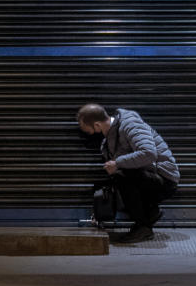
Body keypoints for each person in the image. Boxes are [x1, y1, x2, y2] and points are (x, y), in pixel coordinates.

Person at [77, 102, 179, 243]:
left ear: (97, 125)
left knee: (122, 176)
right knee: (116, 180)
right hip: (147, 177)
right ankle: (150, 213)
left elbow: (149, 153)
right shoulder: (109, 139)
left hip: (164, 179)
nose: (89, 134)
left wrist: (117, 163)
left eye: (88, 130)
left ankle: (144, 226)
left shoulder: (130, 125)